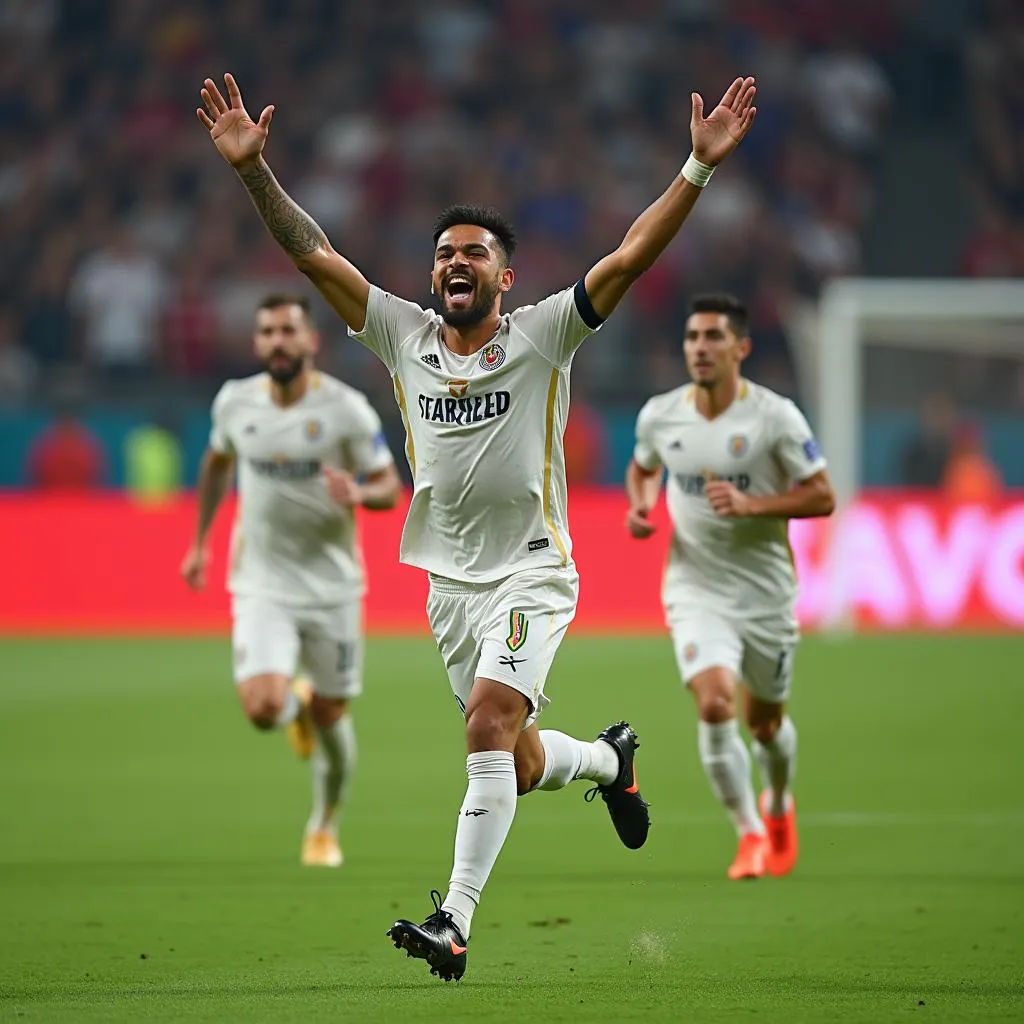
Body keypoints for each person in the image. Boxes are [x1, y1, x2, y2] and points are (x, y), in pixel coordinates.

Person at [196, 71, 757, 980]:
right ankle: (611, 763)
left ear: (505, 274)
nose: (456, 264)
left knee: (487, 729)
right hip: (449, 584)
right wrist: (255, 174)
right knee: (523, 761)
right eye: (444, 254)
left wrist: (696, 166)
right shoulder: (399, 337)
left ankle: (453, 920)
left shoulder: (543, 334)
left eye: (475, 253)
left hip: (534, 570)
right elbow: (316, 258)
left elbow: (627, 259)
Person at [180, 293, 401, 869]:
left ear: (311, 341)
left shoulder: (346, 411)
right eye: (268, 332)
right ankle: (289, 706)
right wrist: (201, 543)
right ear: (258, 343)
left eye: (288, 331)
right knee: (260, 707)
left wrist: (358, 493)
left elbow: (388, 485)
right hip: (261, 582)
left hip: (332, 587)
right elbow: (217, 464)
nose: (278, 341)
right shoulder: (235, 403)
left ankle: (324, 826)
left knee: (331, 715)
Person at [625, 294, 835, 881]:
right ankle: (748, 834)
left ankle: (778, 802)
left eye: (713, 337)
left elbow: (823, 495)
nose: (700, 348)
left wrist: (752, 504)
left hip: (765, 591)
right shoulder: (661, 415)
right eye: (692, 337)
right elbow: (643, 466)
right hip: (695, 587)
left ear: (740, 347)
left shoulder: (776, 417)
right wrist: (641, 507)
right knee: (715, 703)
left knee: (765, 723)